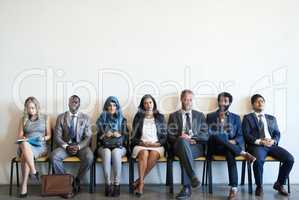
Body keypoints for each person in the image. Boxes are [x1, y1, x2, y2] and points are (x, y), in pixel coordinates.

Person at [242, 94, 294, 196]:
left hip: (271, 145)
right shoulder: (247, 118)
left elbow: (277, 133)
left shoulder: (271, 118)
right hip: (257, 145)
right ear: (253, 105)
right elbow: (246, 134)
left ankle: (279, 184)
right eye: (257, 101)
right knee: (258, 160)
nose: (260, 103)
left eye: (262, 101)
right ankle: (259, 186)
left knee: (290, 159)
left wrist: (273, 141)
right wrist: (260, 141)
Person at [207, 92, 255, 200]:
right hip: (216, 147)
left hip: (231, 147)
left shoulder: (236, 118)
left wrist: (234, 141)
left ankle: (233, 188)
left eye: (225, 101)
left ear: (230, 103)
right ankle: (243, 153)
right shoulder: (210, 116)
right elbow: (209, 134)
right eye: (221, 100)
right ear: (218, 102)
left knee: (229, 153)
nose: (223, 103)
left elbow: (240, 136)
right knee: (217, 134)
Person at [167, 89, 209, 199]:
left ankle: (186, 188)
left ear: (192, 100)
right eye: (185, 99)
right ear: (181, 99)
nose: (188, 102)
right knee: (182, 143)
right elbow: (170, 136)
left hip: (196, 147)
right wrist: (180, 138)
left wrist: (193, 138)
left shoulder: (200, 115)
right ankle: (192, 177)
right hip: (179, 145)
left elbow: (206, 135)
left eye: (190, 100)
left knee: (184, 153)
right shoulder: (173, 116)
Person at [50, 95, 94, 195]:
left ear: (79, 104)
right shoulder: (61, 117)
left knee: (89, 156)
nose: (74, 103)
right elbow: (57, 136)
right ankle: (66, 182)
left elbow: (88, 137)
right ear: (68, 103)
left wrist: (78, 147)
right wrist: (66, 146)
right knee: (54, 156)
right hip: (65, 147)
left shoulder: (86, 118)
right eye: (72, 101)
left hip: (81, 147)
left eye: (76, 102)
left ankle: (77, 181)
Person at [130, 94, 167, 197]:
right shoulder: (138, 117)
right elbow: (133, 137)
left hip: (157, 145)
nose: (148, 105)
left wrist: (158, 144)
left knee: (154, 154)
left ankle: (139, 181)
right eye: (145, 103)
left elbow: (165, 136)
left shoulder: (160, 117)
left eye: (150, 102)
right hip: (141, 144)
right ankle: (141, 183)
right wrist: (142, 143)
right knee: (144, 153)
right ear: (143, 105)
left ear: (153, 104)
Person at [17, 96, 51, 198]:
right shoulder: (23, 119)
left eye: (32, 108)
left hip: (40, 145)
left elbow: (49, 135)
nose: (30, 110)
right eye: (28, 108)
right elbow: (19, 136)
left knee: (24, 156)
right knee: (24, 144)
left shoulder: (45, 118)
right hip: (26, 144)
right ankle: (33, 171)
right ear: (26, 108)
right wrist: (24, 138)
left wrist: (43, 139)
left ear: (37, 107)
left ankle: (24, 186)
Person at [96, 96, 129, 197]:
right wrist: (105, 134)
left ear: (117, 107)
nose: (112, 107)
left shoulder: (122, 119)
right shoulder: (101, 119)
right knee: (106, 152)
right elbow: (98, 138)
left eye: (114, 105)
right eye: (109, 105)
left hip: (119, 146)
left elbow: (126, 138)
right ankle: (108, 184)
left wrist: (120, 135)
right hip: (104, 146)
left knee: (115, 152)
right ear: (106, 107)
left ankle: (117, 184)